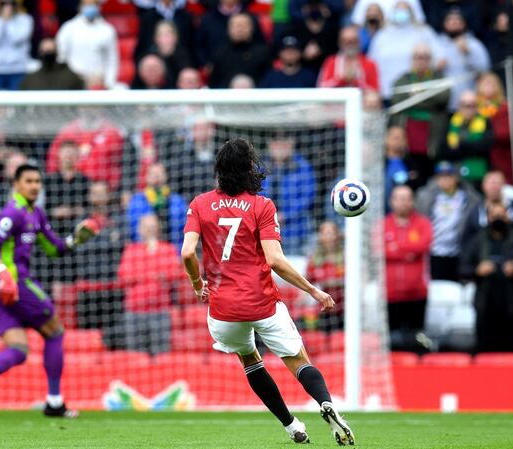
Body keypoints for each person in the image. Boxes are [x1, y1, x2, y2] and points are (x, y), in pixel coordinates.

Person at [181, 138, 354, 445]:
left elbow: (186, 253)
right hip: (261, 302)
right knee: (298, 360)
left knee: (250, 360)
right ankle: (325, 403)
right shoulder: (261, 205)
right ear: (250, 169)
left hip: (223, 310)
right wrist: (314, 291)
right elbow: (275, 260)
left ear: (219, 170)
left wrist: (198, 285)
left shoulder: (199, 204)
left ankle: (291, 426)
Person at [0, 164, 99, 415]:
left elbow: (54, 250)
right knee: (54, 332)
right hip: (13, 283)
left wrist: (75, 240)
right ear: (16, 184)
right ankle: (54, 402)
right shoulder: (13, 212)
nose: (34, 186)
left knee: (18, 350)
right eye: (28, 181)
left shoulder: (36, 214)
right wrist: (4, 274)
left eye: (38, 181)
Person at [460, 202, 513, 353]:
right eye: (494, 215)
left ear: (508, 217)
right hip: (485, 300)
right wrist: (477, 270)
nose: (498, 218)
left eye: (502, 215)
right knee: (484, 348)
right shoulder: (478, 239)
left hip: (512, 302)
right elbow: (463, 268)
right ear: (488, 217)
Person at [118, 214, 181, 354]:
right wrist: (155, 274)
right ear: (140, 230)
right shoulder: (131, 250)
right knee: (135, 355)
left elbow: (174, 274)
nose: (149, 230)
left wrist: (142, 274)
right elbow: (124, 277)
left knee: (161, 354)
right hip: (134, 311)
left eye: (152, 227)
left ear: (158, 229)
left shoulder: (168, 249)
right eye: (146, 227)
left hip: (160, 311)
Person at [382, 185, 432, 347]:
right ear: (392, 201)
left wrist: (395, 247)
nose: (403, 202)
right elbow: (379, 250)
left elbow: (423, 245)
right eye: (399, 198)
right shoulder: (382, 224)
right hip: (390, 294)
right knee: (392, 341)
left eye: (407, 198)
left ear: (412, 201)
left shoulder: (423, 223)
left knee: (417, 339)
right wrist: (408, 250)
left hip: (416, 293)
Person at [415, 161, 481, 281]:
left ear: (456, 177)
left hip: (458, 252)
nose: (445, 179)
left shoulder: (468, 197)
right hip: (434, 251)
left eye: (448, 175)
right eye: (441, 176)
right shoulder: (425, 197)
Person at [391, 42, 450, 172]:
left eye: (425, 57)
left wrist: (416, 96)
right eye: (418, 57)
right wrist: (429, 96)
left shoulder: (439, 78)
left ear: (431, 59)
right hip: (408, 131)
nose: (421, 61)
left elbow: (443, 98)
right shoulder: (403, 79)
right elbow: (398, 99)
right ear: (412, 59)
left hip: (432, 133)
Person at [367, 1, 438, 101]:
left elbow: (440, 59)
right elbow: (371, 63)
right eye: (398, 10)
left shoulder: (424, 32)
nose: (400, 13)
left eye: (404, 10)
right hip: (385, 94)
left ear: (411, 12)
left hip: (414, 95)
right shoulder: (381, 35)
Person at [260, 133, 316, 255]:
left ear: (291, 144)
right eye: (276, 142)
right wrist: (268, 215)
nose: (280, 146)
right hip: (265, 228)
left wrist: (285, 215)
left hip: (296, 231)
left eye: (284, 142)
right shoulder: (261, 167)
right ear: (270, 144)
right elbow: (255, 193)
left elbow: (308, 197)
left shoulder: (303, 167)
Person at [46, 109, 124, 190]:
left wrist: (112, 187)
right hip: (71, 186)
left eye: (93, 106)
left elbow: (117, 165)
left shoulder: (112, 131)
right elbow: (52, 160)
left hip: (102, 190)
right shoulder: (67, 131)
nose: (89, 109)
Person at [434, 8, 490, 111]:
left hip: (468, 104)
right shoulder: (436, 44)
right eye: (450, 19)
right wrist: (436, 67)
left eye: (458, 20)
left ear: (464, 23)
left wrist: (468, 54)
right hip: (442, 104)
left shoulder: (474, 44)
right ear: (444, 23)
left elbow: (484, 71)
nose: (454, 22)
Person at [55, 0, 119, 88]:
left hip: (99, 83)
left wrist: (108, 84)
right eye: (87, 4)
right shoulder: (68, 28)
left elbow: (111, 60)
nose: (90, 7)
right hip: (73, 82)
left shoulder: (108, 30)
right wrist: (73, 78)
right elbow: (61, 58)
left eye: (94, 4)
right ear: (80, 6)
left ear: (99, 6)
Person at [439, 90, 494, 186]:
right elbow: (443, 149)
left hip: (478, 174)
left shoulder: (485, 122)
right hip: (454, 173)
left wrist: (460, 146)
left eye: (472, 105)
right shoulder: (450, 122)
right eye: (465, 105)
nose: (469, 109)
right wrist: (470, 146)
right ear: (459, 106)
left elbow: (484, 147)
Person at [127, 162, 187, 247]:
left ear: (166, 176)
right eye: (153, 173)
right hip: (144, 251)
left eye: (160, 173)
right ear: (146, 177)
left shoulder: (177, 201)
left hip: (174, 250)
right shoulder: (137, 200)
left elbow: (185, 229)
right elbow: (133, 229)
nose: (157, 176)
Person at [208, 13, 270, 88]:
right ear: (228, 29)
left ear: (252, 28)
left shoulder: (262, 52)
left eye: (244, 25)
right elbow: (215, 82)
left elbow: (268, 81)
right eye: (236, 26)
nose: (240, 29)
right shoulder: (220, 52)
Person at [0, 0, 33, 91]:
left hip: (18, 69)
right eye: (3, 3)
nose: (8, 6)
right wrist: (2, 21)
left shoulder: (25, 19)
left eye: (11, 3)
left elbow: (17, 39)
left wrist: (9, 21)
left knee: (16, 103)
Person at [162, 120, 217, 201]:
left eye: (205, 128)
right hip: (189, 202)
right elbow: (175, 182)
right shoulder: (183, 155)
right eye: (199, 128)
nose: (202, 132)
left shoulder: (220, 152)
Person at [305, 221, 344, 331]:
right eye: (325, 233)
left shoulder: (346, 257)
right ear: (320, 237)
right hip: (322, 310)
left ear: (337, 235)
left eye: (331, 233)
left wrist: (336, 283)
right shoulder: (314, 259)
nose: (328, 237)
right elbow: (306, 282)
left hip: (343, 308)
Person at [44, 141, 90, 234]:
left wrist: (76, 211)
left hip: (77, 228)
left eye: (72, 153)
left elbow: (89, 208)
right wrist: (53, 212)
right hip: (52, 226)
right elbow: (39, 208)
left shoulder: (84, 181)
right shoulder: (48, 180)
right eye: (66, 152)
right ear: (59, 155)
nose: (69, 155)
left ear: (78, 156)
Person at [476, 72, 512, 184]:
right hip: (478, 155)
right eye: (485, 83)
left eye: (491, 84)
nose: (488, 87)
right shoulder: (473, 106)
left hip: (499, 155)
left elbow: (505, 133)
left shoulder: (504, 107)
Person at [317, 25, 379, 91]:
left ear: (359, 42)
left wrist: (355, 81)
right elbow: (322, 86)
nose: (350, 44)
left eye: (353, 40)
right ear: (340, 43)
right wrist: (342, 80)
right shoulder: (331, 62)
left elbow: (375, 90)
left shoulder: (369, 63)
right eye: (345, 41)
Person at [133, 0, 194, 65]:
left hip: (181, 62)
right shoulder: (148, 17)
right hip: (155, 62)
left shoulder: (185, 17)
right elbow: (143, 46)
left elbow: (190, 45)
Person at [383, 125, 424, 211]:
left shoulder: (413, 162)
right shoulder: (380, 162)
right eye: (395, 137)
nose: (398, 140)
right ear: (386, 140)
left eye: (402, 137)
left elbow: (418, 183)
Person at [141, 20, 192, 86]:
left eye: (168, 34)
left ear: (175, 37)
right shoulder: (150, 56)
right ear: (155, 38)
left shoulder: (183, 54)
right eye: (161, 35)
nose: (165, 38)